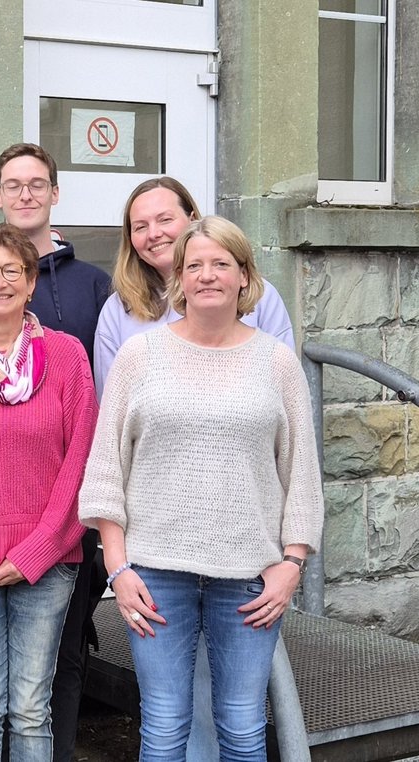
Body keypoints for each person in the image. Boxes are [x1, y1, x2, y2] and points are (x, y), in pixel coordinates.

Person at [79, 216, 324, 760]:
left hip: (249, 579)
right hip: (155, 577)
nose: (207, 275)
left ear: (244, 276)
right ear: (179, 280)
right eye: (195, 266)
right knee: (164, 728)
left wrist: (293, 563)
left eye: (221, 264)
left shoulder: (277, 363)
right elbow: (105, 471)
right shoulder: (139, 357)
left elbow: (301, 473)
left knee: (241, 728)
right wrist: (117, 569)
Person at [0, 143, 110, 761]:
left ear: (31, 280)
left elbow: (79, 455)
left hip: (50, 554)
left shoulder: (67, 356)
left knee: (32, 707)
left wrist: (38, 550)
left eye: (11, 271)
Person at [93, 176, 294, 397]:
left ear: (193, 220)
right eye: (140, 227)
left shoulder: (260, 297)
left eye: (165, 219)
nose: (154, 234)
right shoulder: (118, 311)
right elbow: (113, 406)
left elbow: (285, 391)